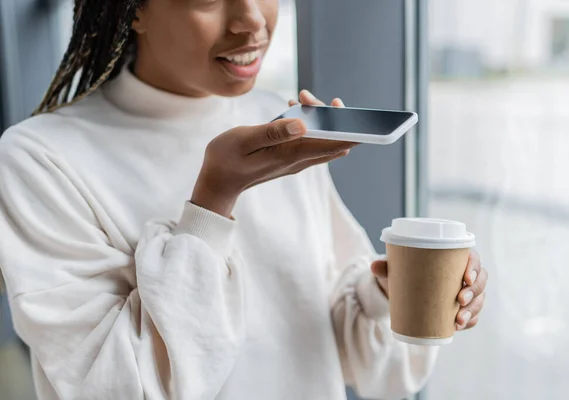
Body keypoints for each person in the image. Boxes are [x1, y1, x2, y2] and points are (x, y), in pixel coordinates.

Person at [0, 0, 488, 399]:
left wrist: (387, 294)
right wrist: (213, 201)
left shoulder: (277, 123)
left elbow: (349, 355)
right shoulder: (39, 158)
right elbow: (113, 389)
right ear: (133, 11)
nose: (252, 20)